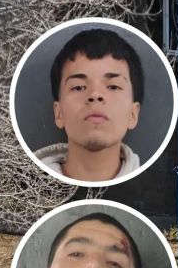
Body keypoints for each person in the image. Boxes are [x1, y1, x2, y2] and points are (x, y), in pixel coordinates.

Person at [34, 29, 144, 181]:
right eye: (79, 87)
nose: (95, 95)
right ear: (58, 113)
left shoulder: (150, 187)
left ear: (133, 114)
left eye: (113, 87)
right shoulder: (25, 183)